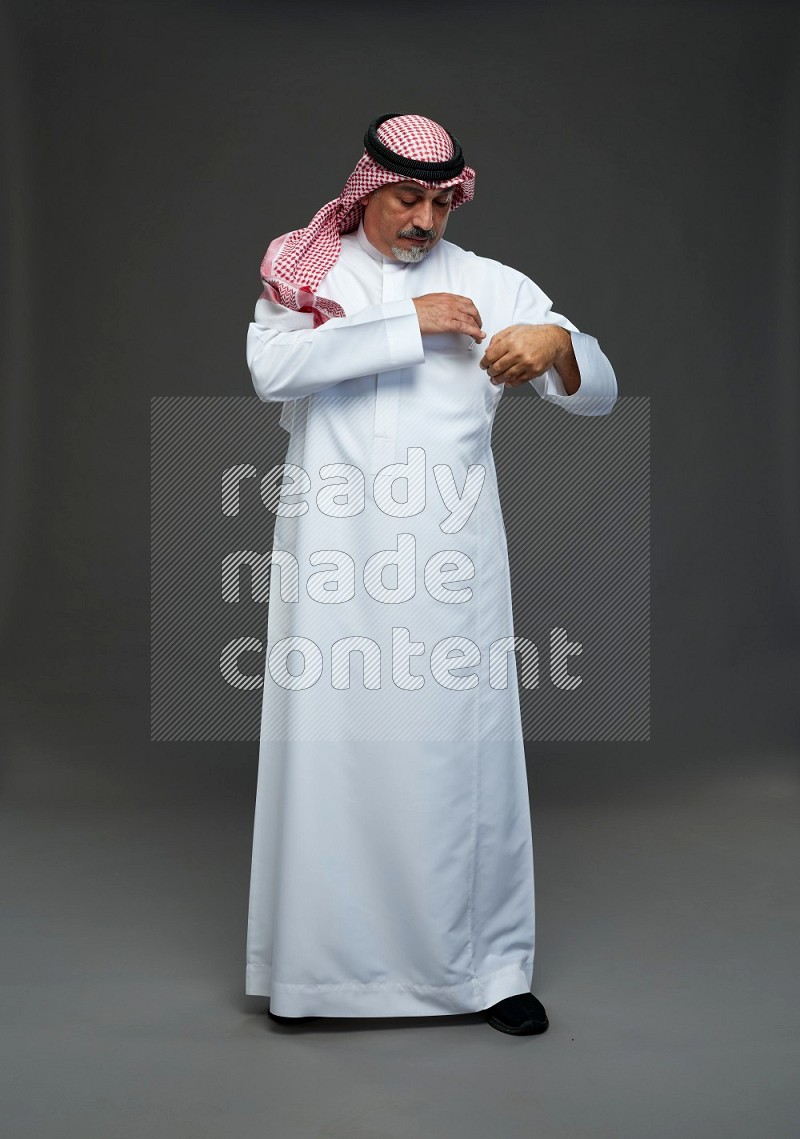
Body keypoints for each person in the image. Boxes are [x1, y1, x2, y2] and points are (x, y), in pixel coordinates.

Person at [245, 113, 617, 1036]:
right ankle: (317, 976)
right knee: (331, 759)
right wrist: (403, 322)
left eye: (440, 202)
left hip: (449, 570)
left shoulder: (491, 282)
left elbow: (598, 391)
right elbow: (271, 368)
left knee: (463, 762)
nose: (424, 220)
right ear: (366, 190)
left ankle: (488, 969)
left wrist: (560, 347)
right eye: (406, 199)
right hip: (331, 558)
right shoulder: (313, 271)